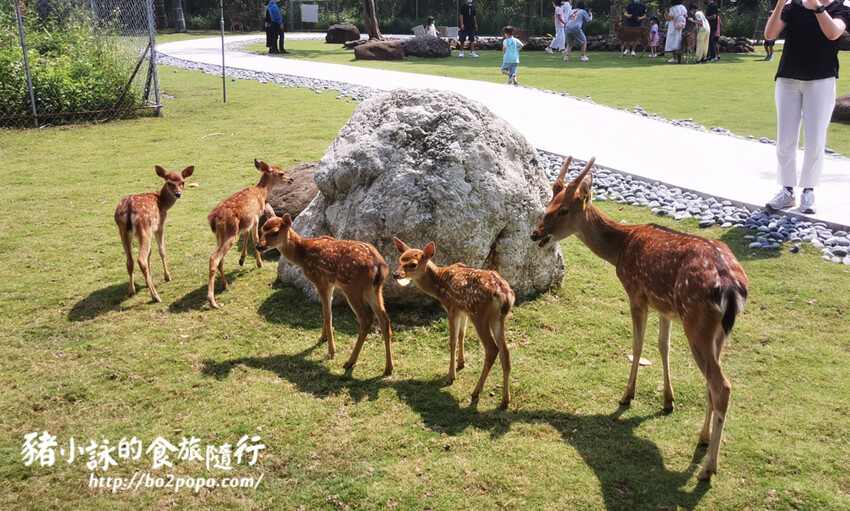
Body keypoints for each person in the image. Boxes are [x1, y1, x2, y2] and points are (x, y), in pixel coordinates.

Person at [764, 0, 850, 214]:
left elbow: (833, 33)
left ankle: (809, 191)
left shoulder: (840, 8)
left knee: (815, 139)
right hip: (788, 80)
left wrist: (817, 7)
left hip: (821, 81)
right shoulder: (793, 7)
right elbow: (769, 35)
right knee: (785, 139)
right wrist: (780, 3)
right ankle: (786, 190)